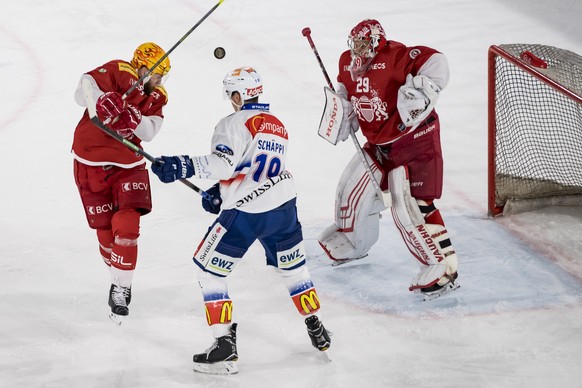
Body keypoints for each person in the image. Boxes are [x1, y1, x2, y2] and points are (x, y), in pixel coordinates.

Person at [150, 66, 331, 374]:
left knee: (209, 273)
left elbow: (223, 165)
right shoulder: (277, 124)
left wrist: (182, 166)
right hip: (284, 208)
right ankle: (316, 324)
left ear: (236, 95)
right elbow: (249, 169)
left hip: (247, 215)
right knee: (294, 270)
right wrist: (219, 192)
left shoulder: (232, 122)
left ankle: (224, 346)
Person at [318, 19, 459, 300]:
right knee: (352, 189)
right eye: (353, 43)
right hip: (380, 143)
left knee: (410, 205)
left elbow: (437, 61)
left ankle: (443, 267)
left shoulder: (396, 56)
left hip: (414, 141)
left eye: (362, 43)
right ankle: (354, 242)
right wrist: (343, 109)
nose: (356, 48)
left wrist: (423, 90)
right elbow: (347, 92)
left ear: (376, 41)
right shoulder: (347, 62)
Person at [72, 42, 171, 322]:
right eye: (157, 75)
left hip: (129, 164)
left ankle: (121, 287)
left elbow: (150, 131)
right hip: (89, 159)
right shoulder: (118, 70)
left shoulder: (158, 96)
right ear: (142, 67)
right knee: (105, 234)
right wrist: (101, 100)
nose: (160, 82)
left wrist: (135, 119)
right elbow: (83, 89)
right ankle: (118, 273)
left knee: (127, 226)